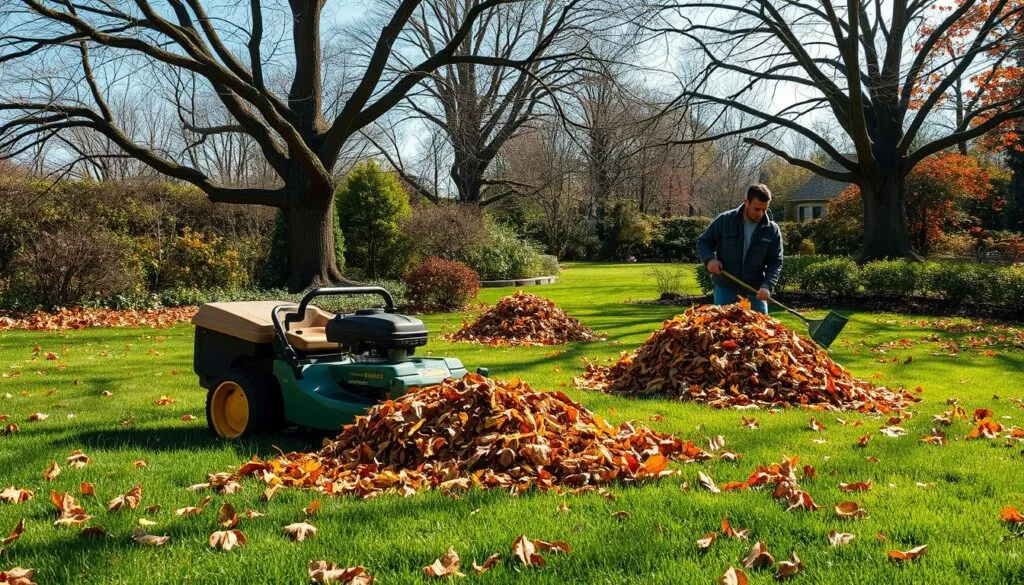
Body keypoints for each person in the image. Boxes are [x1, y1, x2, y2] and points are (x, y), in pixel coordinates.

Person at [696, 184, 783, 314]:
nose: (761, 214)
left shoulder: (772, 230)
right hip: (726, 288)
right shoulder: (725, 220)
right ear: (746, 202)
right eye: (757, 209)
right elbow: (704, 242)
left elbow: (776, 261)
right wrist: (710, 260)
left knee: (762, 331)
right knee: (723, 330)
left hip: (755, 291)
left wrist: (767, 286)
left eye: (765, 209)